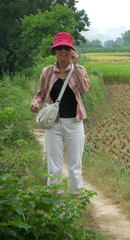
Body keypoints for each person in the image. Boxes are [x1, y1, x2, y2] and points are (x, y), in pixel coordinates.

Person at [30, 32, 90, 193]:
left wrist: (76, 66)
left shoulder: (80, 69)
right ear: (54, 51)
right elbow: (40, 94)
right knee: (54, 164)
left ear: (72, 51)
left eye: (66, 48)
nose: (63, 51)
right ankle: (53, 197)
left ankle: (76, 197)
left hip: (74, 123)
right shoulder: (47, 72)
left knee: (75, 163)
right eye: (59, 48)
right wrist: (35, 103)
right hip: (54, 124)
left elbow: (84, 89)